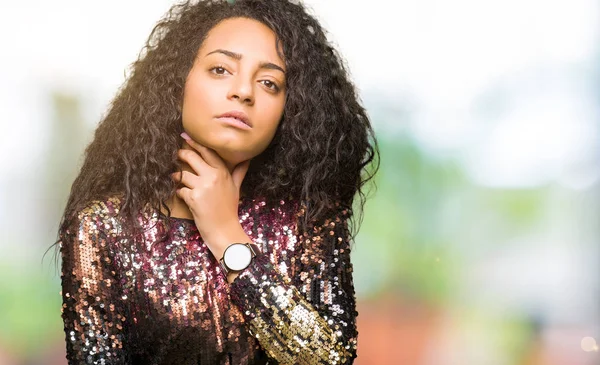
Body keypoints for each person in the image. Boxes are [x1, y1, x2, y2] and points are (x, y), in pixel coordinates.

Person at [52, 0, 379, 364]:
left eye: (269, 82)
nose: (243, 92)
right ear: (177, 82)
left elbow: (331, 361)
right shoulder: (103, 226)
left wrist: (227, 236)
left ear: (291, 109)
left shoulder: (307, 217)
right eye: (221, 69)